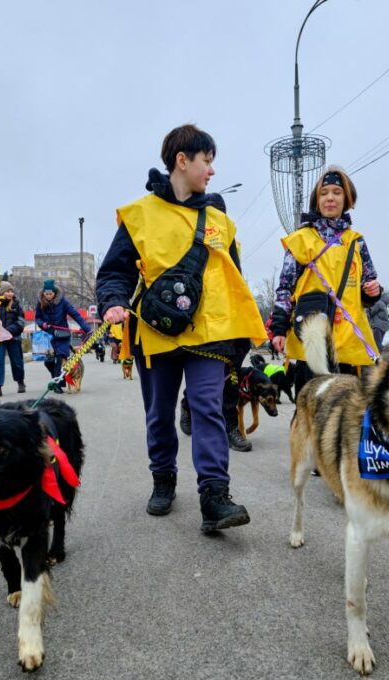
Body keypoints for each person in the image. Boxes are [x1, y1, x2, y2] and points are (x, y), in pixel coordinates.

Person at [95, 123, 266, 533]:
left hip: (211, 333)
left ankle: (214, 496)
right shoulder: (139, 216)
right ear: (182, 160)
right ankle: (163, 479)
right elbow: (113, 272)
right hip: (157, 332)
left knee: (207, 407)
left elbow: (235, 279)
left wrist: (240, 337)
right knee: (159, 414)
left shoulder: (219, 220)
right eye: (207, 162)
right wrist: (114, 303)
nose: (211, 171)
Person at [268, 167, 382, 398]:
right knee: (310, 412)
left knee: (345, 414)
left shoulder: (356, 242)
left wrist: (372, 291)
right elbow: (285, 288)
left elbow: (368, 286)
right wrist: (278, 328)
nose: (330, 198)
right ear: (316, 200)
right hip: (313, 337)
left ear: (347, 199)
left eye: (337, 192)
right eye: (324, 193)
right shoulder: (301, 240)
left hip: (349, 339)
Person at [33, 279, 91, 394]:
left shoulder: (63, 302)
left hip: (63, 335)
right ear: (43, 293)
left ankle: (57, 384)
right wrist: (42, 324)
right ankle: (60, 379)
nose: (48, 296)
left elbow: (75, 314)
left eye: (50, 294)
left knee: (60, 358)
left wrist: (86, 328)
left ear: (55, 293)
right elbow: (37, 318)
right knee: (49, 362)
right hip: (49, 335)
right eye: (46, 294)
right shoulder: (40, 303)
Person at [0, 281, 26, 397]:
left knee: (17, 361)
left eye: (11, 291)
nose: (10, 294)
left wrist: (9, 331)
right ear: (1, 292)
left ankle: (20, 382)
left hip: (13, 337)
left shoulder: (16, 305)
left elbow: (21, 322)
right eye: (7, 291)